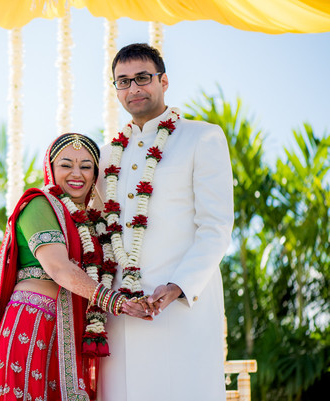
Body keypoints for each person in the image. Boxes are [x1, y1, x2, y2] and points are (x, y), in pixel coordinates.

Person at [94, 43, 234, 400]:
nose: (133, 88)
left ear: (164, 81)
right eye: (122, 81)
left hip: (182, 308)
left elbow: (215, 226)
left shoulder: (201, 136)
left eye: (143, 77)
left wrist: (179, 286)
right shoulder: (107, 155)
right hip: (121, 311)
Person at [0, 133, 137, 401]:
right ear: (50, 169)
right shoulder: (39, 204)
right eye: (66, 165)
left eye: (86, 166)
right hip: (34, 323)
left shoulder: (90, 222)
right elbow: (59, 269)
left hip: (71, 329)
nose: (77, 173)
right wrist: (117, 303)